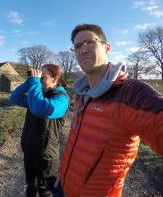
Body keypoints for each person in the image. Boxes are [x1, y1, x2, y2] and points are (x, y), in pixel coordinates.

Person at [56, 23, 163, 197]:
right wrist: (63, 172)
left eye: (89, 42)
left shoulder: (131, 92)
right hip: (65, 188)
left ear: (107, 47)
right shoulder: (82, 94)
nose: (82, 50)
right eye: (77, 46)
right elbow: (75, 141)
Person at [9, 64, 69, 197]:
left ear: (55, 79)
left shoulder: (61, 99)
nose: (39, 79)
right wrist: (30, 80)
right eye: (38, 76)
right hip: (29, 151)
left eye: (43, 77)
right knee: (31, 184)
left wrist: (35, 82)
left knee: (45, 191)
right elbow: (14, 98)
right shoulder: (38, 95)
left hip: (46, 156)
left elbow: (39, 109)